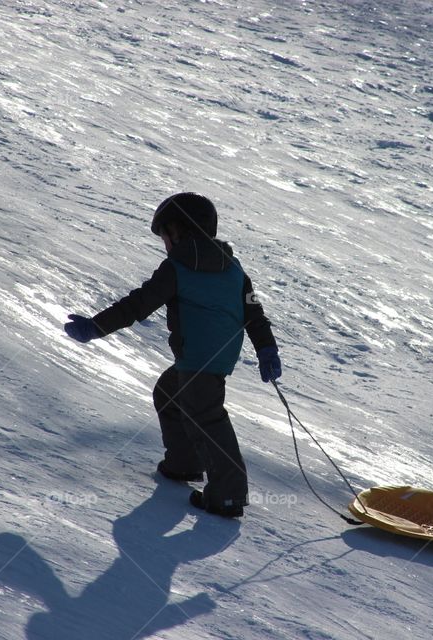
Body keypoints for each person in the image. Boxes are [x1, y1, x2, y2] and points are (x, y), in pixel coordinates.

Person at [64, 193, 281, 518]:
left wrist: (95, 327)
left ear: (180, 231)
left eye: (165, 234)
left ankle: (228, 495)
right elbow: (254, 313)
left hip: (198, 360)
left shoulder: (177, 268)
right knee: (168, 393)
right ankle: (184, 465)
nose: (164, 242)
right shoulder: (234, 268)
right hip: (213, 358)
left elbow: (137, 305)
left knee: (207, 418)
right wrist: (266, 348)